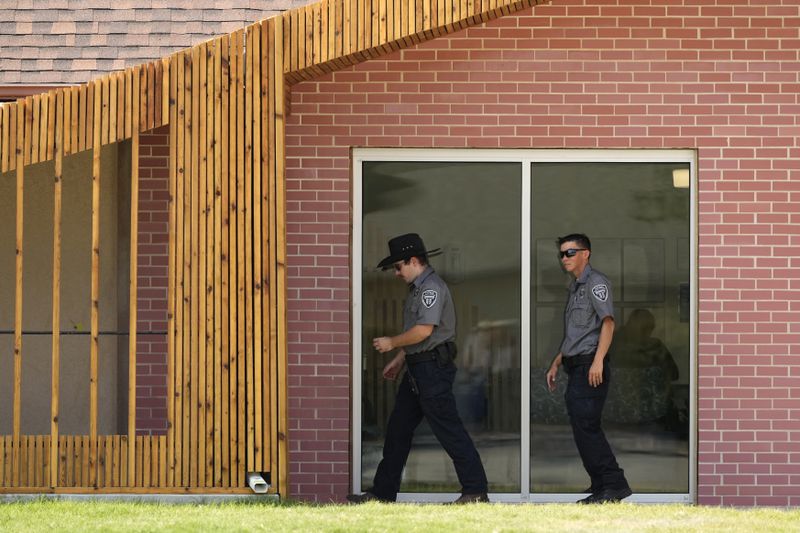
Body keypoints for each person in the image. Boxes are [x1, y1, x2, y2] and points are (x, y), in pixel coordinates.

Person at [347, 233, 489, 504]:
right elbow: (417, 335)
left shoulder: (431, 289)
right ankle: (382, 493)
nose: (396, 273)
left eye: (398, 266)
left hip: (432, 371)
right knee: (398, 431)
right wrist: (400, 359)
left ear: (413, 260)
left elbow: (424, 331)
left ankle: (475, 491)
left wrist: (391, 342)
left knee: (449, 430)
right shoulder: (417, 289)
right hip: (417, 369)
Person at [545, 234, 632, 504]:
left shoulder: (596, 283)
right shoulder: (575, 288)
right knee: (582, 425)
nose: (564, 259)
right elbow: (579, 332)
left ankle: (614, 484)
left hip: (589, 366)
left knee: (587, 426)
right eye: (561, 254)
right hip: (576, 364)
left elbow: (607, 323)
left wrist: (597, 361)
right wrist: (558, 360)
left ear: (586, 253)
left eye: (570, 252)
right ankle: (600, 484)